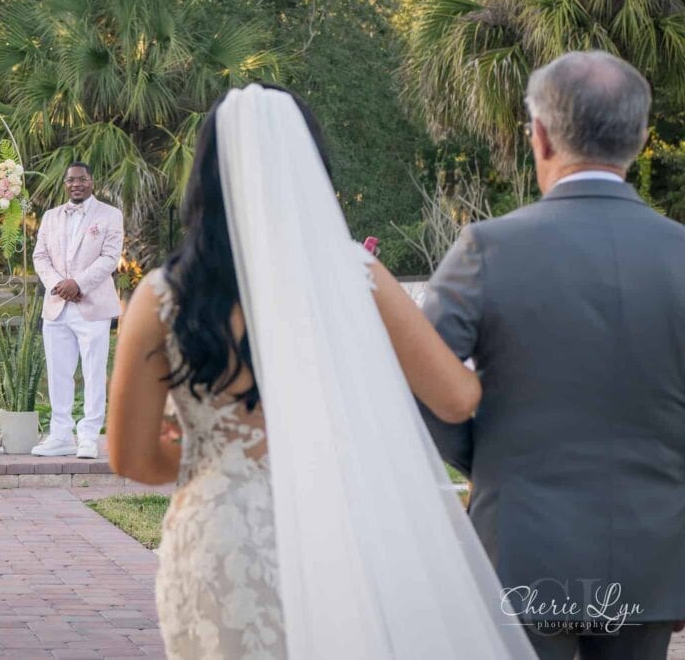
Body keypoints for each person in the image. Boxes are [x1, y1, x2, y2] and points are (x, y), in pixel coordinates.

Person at [107, 84, 536, 659]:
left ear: (203, 177)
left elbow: (131, 459)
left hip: (221, 537)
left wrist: (197, 453)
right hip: (344, 531)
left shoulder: (162, 295)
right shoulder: (355, 274)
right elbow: (457, 399)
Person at [421, 51, 685, 660]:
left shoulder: (488, 248)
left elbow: (418, 379)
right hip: (651, 555)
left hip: (521, 547)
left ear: (538, 136)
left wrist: (486, 459)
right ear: (642, 137)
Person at [31, 162, 123, 459]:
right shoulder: (51, 216)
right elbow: (40, 256)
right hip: (57, 306)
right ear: (65, 183)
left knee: (94, 373)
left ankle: (88, 437)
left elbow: (110, 257)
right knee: (58, 373)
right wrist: (59, 284)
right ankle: (60, 436)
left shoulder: (110, 215)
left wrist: (78, 284)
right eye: (71, 180)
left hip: (93, 306)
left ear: (91, 181)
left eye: (82, 179)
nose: (76, 184)